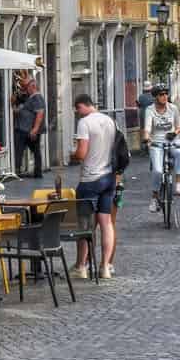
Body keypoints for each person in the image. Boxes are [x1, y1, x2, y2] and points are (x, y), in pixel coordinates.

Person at [70, 92, 121, 279]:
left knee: (85, 225)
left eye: (77, 110)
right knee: (106, 223)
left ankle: (82, 267)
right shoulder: (109, 121)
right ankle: (106, 266)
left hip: (90, 179)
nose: (78, 113)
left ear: (82, 106)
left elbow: (82, 153)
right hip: (108, 177)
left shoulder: (84, 123)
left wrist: (73, 154)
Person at [143, 84, 180, 213]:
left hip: (172, 141)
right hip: (156, 143)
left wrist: (175, 133)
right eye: (161, 94)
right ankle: (154, 198)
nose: (164, 97)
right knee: (157, 171)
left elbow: (179, 126)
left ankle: (178, 184)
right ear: (155, 97)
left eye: (166, 94)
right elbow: (147, 129)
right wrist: (147, 138)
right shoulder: (150, 110)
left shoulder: (173, 108)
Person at [13, 78, 47, 179]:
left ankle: (36, 172)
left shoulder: (37, 97)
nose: (25, 89)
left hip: (28, 130)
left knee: (32, 150)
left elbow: (40, 113)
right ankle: (23, 170)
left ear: (33, 86)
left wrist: (35, 129)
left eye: (26, 87)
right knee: (24, 150)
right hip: (24, 129)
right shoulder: (30, 97)